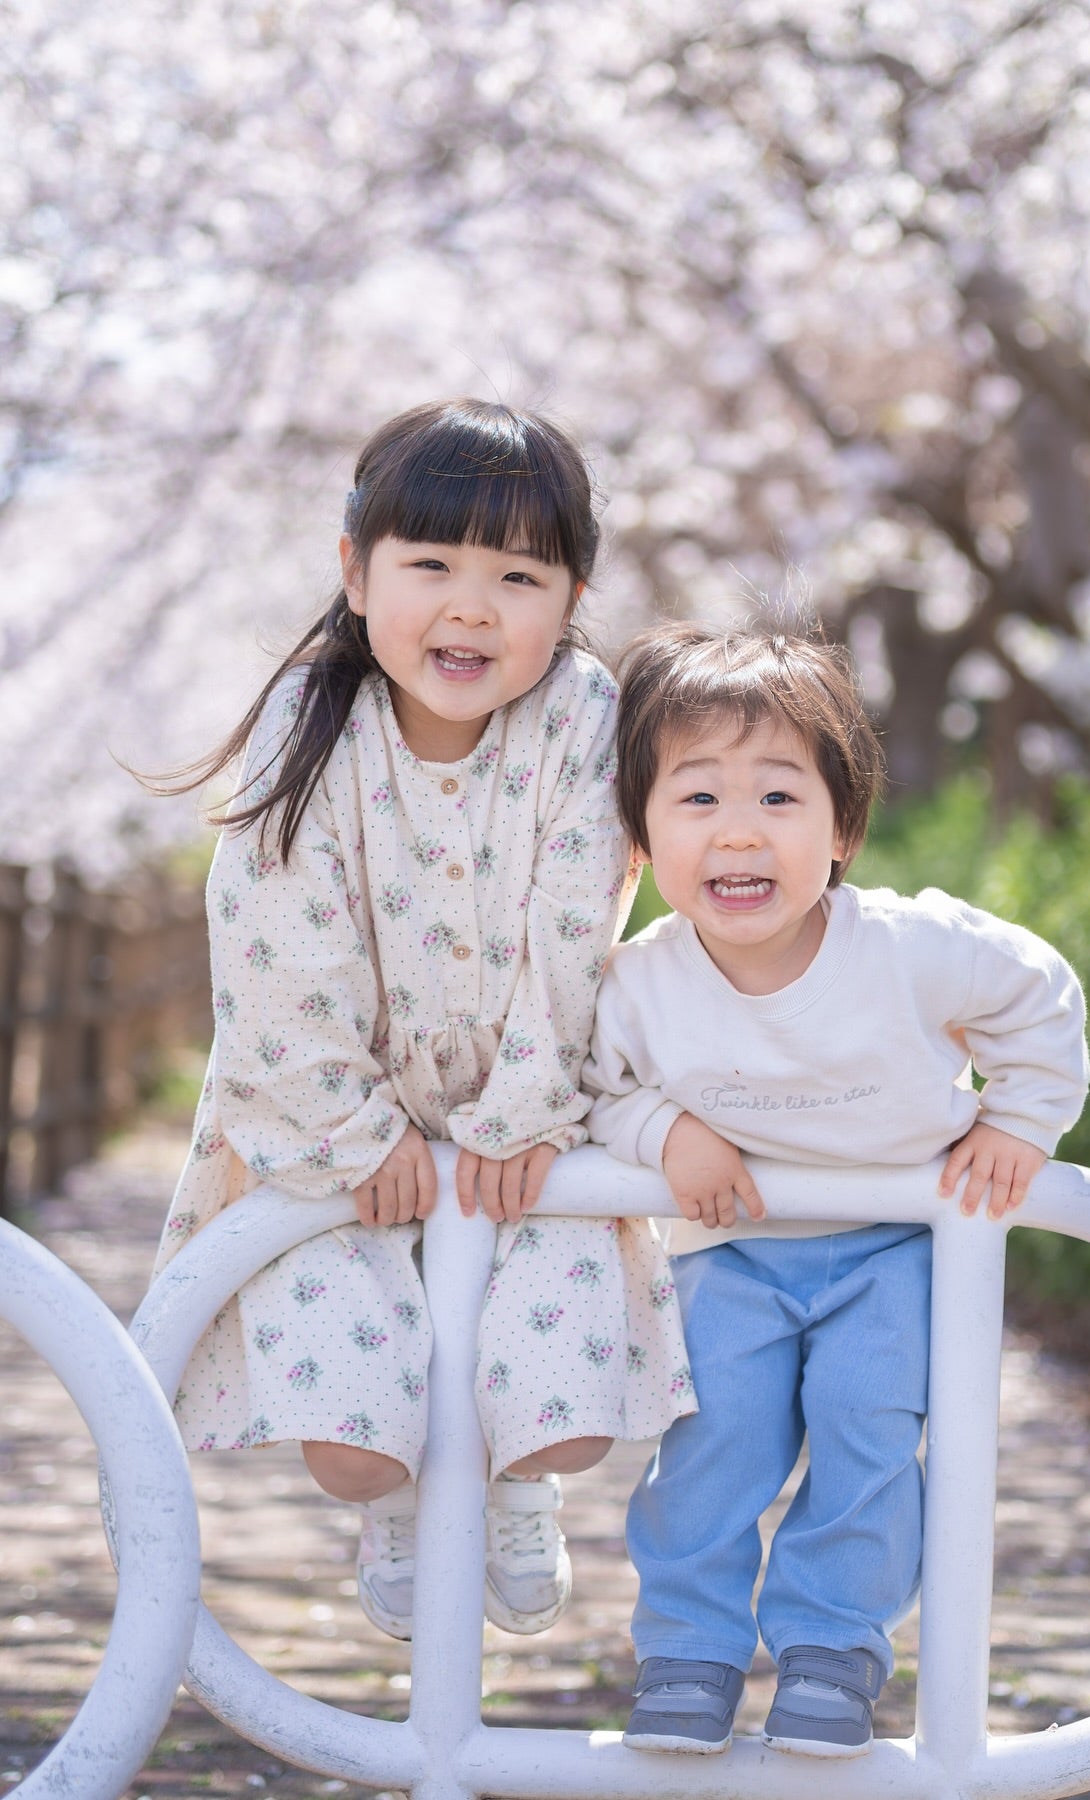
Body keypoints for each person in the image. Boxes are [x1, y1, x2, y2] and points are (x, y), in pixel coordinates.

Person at [149, 399, 693, 1644]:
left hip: (529, 1116)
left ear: (571, 594)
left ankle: (511, 1486)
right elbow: (273, 946)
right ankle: (389, 1505)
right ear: (355, 571)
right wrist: (352, 1127)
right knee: (352, 1448)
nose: (471, 606)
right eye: (431, 565)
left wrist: (519, 1112)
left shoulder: (582, 716)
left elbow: (576, 924)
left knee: (565, 1420)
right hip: (325, 1116)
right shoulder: (308, 724)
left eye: (517, 576)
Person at [582, 621, 1090, 1758]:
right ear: (641, 834)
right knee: (711, 1442)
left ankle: (830, 1648)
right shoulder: (638, 985)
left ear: (844, 827)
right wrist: (664, 1131)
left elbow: (1042, 998)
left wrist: (1018, 1117)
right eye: (698, 799)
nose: (739, 833)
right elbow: (589, 1086)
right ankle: (689, 1651)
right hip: (735, 1250)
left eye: (778, 797)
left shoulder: (909, 948)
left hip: (897, 1248)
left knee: (870, 1430)